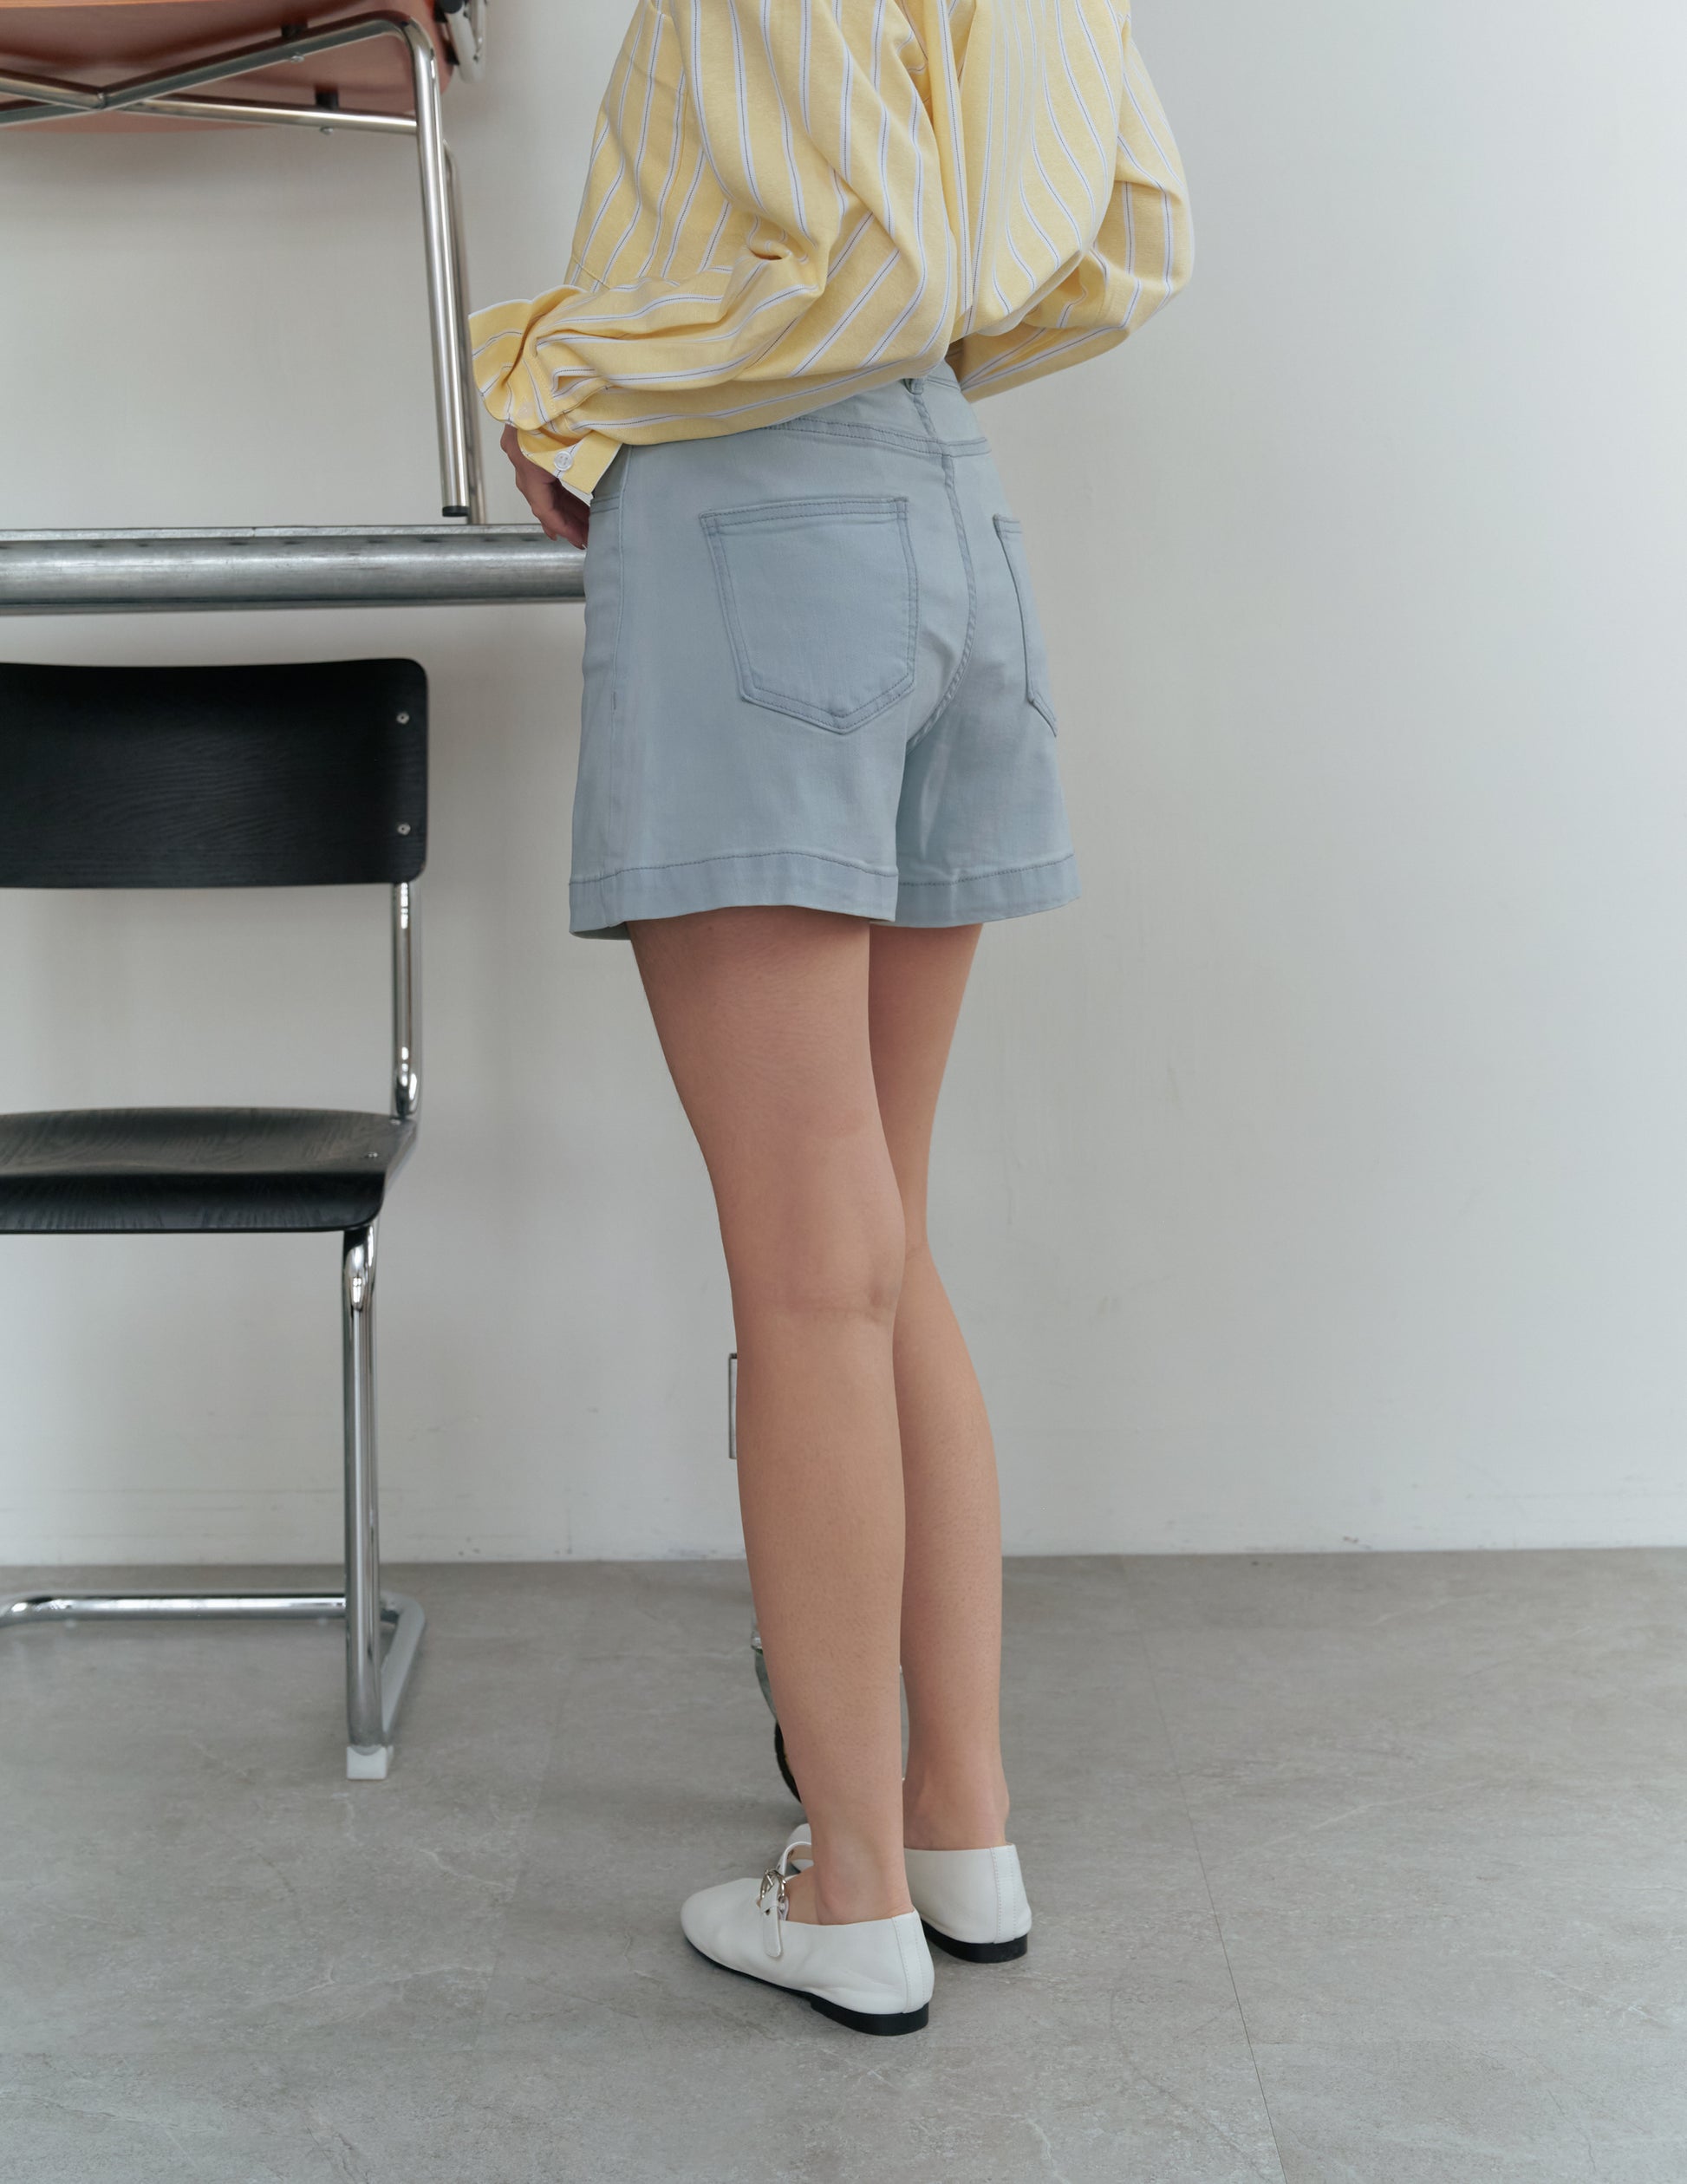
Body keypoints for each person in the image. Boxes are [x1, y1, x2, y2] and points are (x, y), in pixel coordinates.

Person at [472, 0, 1190, 2035]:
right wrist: (893, 380)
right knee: (880, 1242)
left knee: (806, 1269)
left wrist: (565, 379)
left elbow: (860, 259)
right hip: (951, 511)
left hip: (764, 518)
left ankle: (849, 1891)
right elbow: (1127, 241)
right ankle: (955, 1829)